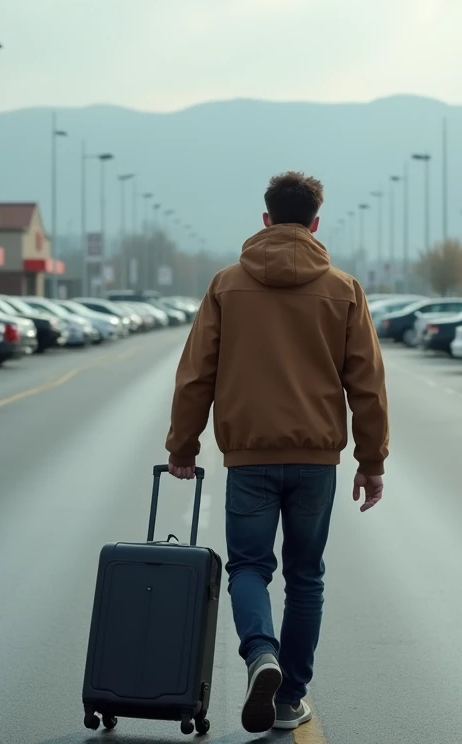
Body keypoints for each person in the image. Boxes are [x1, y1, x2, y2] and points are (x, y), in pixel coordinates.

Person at [165, 171, 389, 734]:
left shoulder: (226, 285)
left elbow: (196, 376)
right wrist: (371, 461)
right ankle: (289, 697)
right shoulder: (343, 289)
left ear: (265, 219)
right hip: (316, 461)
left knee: (247, 566)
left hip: (248, 458)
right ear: (316, 222)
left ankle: (259, 653)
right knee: (306, 576)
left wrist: (183, 448)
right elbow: (367, 382)